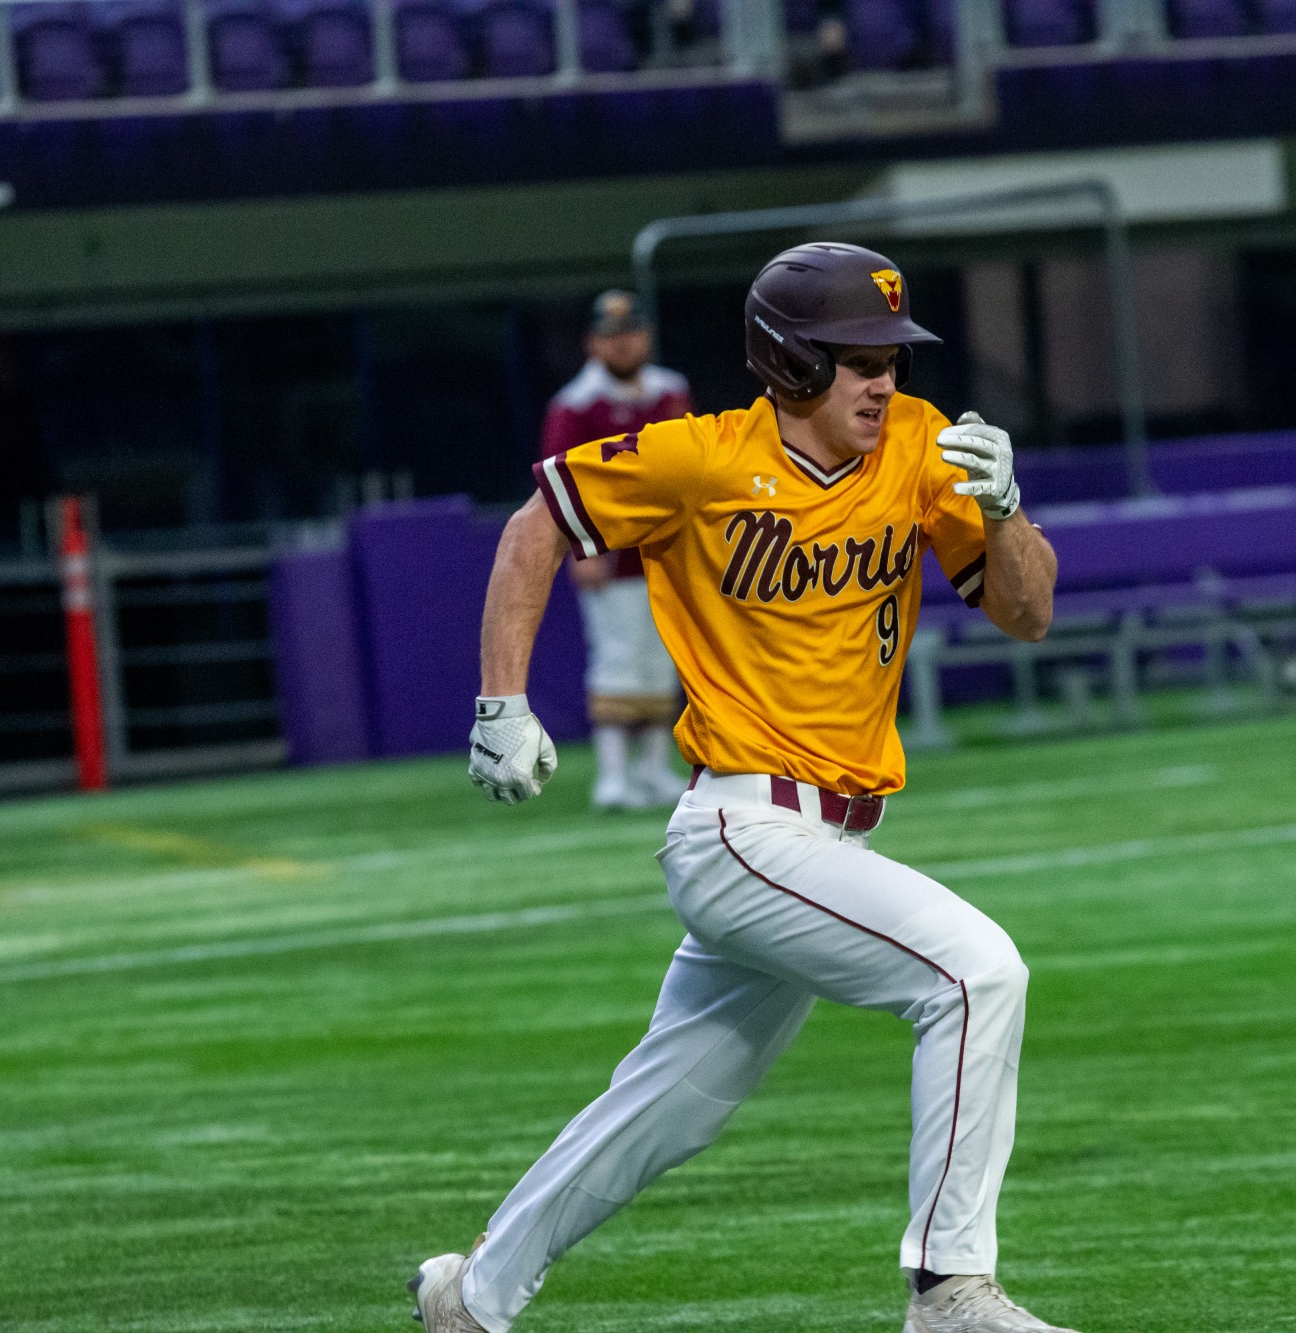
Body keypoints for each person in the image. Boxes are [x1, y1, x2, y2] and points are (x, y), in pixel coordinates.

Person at [428, 243, 1068, 1333]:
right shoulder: (700, 458)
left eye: (890, 358)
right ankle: (947, 1287)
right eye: (857, 359)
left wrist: (1005, 511)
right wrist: (501, 700)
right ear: (790, 360)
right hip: (740, 825)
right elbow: (536, 522)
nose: (883, 380)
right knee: (974, 974)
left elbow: (1026, 613)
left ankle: (468, 1293)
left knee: (666, 1106)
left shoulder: (918, 445)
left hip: (829, 843)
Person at [540, 290, 694, 810]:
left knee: (663, 660)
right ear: (593, 343)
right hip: (609, 554)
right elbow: (558, 487)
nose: (623, 344)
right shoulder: (575, 404)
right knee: (616, 659)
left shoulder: (670, 390)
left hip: (665, 552)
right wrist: (578, 552)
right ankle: (612, 775)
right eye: (611, 335)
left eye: (631, 333)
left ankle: (652, 770)